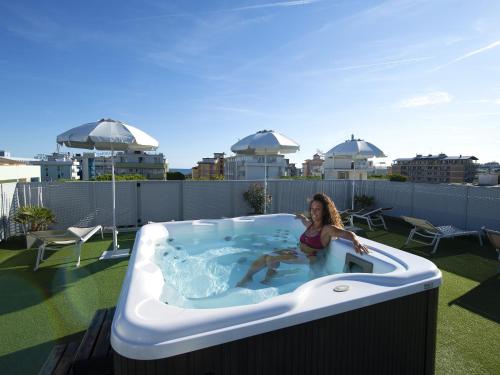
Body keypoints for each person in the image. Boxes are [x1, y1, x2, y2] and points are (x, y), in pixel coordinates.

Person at [236, 192, 369, 287]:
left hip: (310, 257)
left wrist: (356, 241)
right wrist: (301, 217)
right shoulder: (311, 224)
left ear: (324, 211)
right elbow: (305, 221)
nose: (314, 212)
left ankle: (269, 279)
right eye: (312, 209)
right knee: (265, 256)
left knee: (272, 258)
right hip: (298, 251)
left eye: (318, 209)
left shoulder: (327, 229)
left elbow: (348, 234)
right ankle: (248, 277)